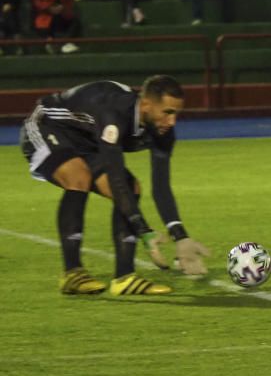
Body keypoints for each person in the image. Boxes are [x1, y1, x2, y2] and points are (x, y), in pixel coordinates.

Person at [18, 75, 209, 295]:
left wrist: (180, 235)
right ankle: (72, 274)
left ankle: (125, 277)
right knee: (78, 177)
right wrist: (143, 230)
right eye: (167, 112)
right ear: (146, 105)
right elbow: (115, 176)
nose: (172, 121)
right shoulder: (114, 114)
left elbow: (161, 187)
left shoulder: (162, 131)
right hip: (48, 124)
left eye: (176, 113)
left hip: (88, 138)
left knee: (133, 188)